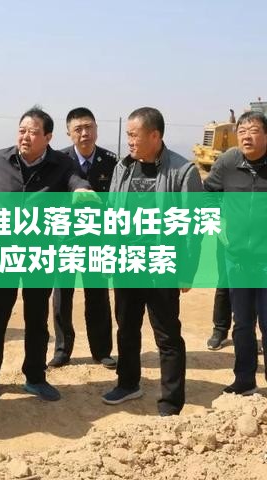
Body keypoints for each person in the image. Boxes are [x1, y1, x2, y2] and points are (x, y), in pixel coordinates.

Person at [0, 106, 91, 402]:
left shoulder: (62, 164)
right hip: (2, 250)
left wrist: (82, 191)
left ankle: (35, 377)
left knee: (37, 318)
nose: (25, 137)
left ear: (48, 137)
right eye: (22, 131)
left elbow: (77, 182)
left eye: (33, 132)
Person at [102, 107, 202, 416]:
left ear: (155, 135)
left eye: (134, 135)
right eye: (128, 135)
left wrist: (187, 271)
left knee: (167, 336)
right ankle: (128, 383)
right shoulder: (123, 168)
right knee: (126, 328)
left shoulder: (183, 171)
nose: (129, 141)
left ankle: (171, 402)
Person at [203, 110, 267, 395]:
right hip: (238, 258)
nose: (246, 136)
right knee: (242, 323)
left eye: (253, 130)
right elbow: (208, 194)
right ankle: (245, 380)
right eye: (241, 131)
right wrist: (217, 224)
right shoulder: (228, 162)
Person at [49, 107, 117, 368]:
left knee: (98, 295)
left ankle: (102, 350)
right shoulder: (58, 160)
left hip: (97, 240)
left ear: (96, 129)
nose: (84, 133)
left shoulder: (112, 161)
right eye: (78, 129)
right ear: (69, 133)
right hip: (65, 239)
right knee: (62, 296)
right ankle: (62, 349)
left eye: (89, 127)